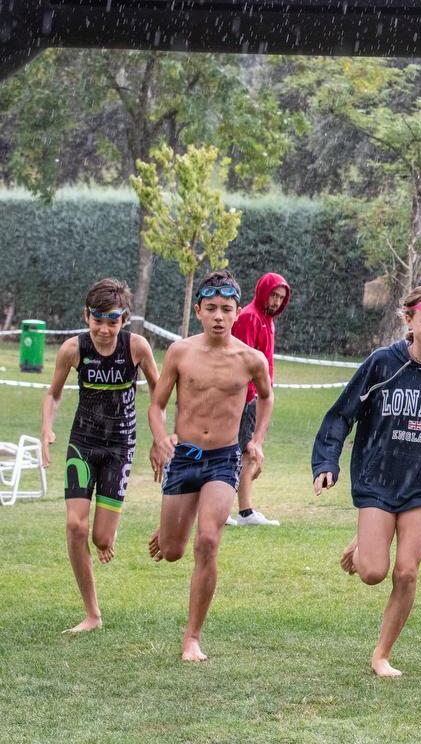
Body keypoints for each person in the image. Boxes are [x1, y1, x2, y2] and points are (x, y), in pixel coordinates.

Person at [312, 284, 421, 678]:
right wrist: (327, 460)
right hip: (378, 478)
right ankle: (366, 539)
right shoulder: (381, 363)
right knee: (374, 572)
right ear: (408, 321)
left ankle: (381, 654)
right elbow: (342, 415)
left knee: (407, 571)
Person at [145, 270, 274, 662]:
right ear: (198, 310)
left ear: (238, 313)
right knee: (171, 551)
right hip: (185, 457)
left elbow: (266, 398)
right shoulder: (180, 352)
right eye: (212, 308)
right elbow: (156, 404)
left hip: (223, 459)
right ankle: (171, 528)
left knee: (209, 541)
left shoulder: (250, 359)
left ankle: (192, 638)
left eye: (227, 309)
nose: (219, 316)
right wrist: (160, 435)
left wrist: (257, 440)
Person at [41, 278, 159, 633]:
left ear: (124, 318)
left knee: (101, 539)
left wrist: (161, 436)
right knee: (76, 526)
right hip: (83, 442)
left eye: (112, 321)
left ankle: (108, 535)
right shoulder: (72, 350)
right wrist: (47, 427)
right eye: (98, 320)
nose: (105, 330)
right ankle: (92, 614)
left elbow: (160, 391)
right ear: (86, 315)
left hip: (120, 446)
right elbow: (53, 394)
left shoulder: (137, 348)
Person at [226, 272, 290, 527]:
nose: (275, 301)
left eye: (281, 298)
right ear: (263, 291)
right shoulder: (251, 317)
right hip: (243, 398)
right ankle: (238, 510)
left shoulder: (267, 320)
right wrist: (249, 395)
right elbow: (242, 360)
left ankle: (243, 511)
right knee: (239, 452)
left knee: (244, 453)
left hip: (256, 398)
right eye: (273, 295)